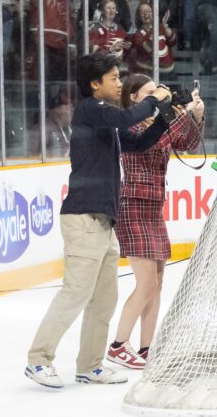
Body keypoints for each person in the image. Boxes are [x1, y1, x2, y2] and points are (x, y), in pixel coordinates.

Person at [26, 52, 171, 389]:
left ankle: (90, 366)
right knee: (75, 293)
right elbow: (129, 118)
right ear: (95, 84)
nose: (120, 84)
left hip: (105, 222)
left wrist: (163, 117)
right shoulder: (91, 110)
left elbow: (138, 140)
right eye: (115, 78)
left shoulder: (106, 120)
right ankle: (38, 359)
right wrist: (153, 99)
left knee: (104, 298)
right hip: (83, 218)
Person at [108, 74, 205, 368]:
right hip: (134, 204)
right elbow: (148, 144)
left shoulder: (155, 122)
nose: (159, 96)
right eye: (151, 93)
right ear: (135, 97)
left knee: (157, 283)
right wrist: (177, 116)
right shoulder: (129, 125)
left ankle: (147, 347)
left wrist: (196, 117)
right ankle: (118, 344)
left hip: (152, 207)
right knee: (147, 282)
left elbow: (186, 142)